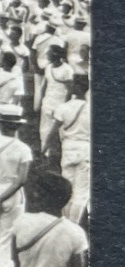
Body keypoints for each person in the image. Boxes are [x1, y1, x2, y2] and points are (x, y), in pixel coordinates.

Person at [0, 103, 35, 267]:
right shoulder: (24, 149)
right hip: (13, 194)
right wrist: (4, 196)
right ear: (18, 126)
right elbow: (21, 179)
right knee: (6, 234)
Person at [53, 75, 89, 225]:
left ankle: (65, 222)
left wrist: (46, 147)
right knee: (81, 192)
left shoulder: (64, 107)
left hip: (68, 147)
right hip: (86, 149)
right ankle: (72, 225)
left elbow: (54, 130)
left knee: (67, 187)